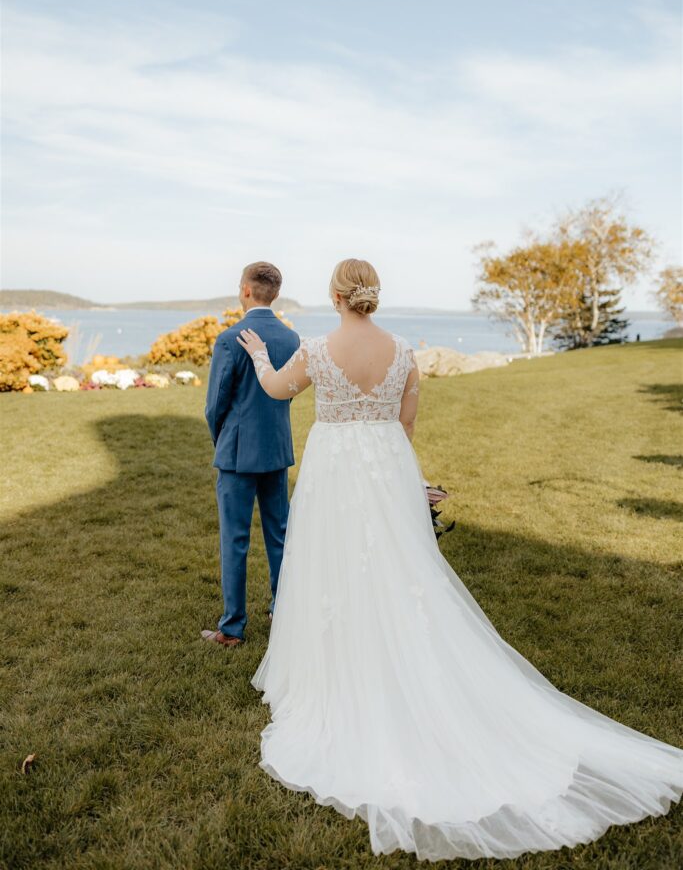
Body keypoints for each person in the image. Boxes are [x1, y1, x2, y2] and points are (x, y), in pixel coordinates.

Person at [235, 256, 683, 862]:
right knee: (399, 573)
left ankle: (340, 668)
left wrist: (259, 352)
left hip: (336, 475)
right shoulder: (403, 354)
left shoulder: (316, 348)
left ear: (336, 295)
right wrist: (391, 472)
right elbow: (406, 424)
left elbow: (276, 389)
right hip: (386, 468)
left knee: (332, 569)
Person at [202, 261, 300, 647]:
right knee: (279, 535)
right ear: (274, 293)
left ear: (245, 290)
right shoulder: (292, 339)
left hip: (238, 453)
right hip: (276, 450)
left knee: (235, 539)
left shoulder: (230, 338)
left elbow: (215, 404)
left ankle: (232, 628)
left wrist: (220, 438)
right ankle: (283, 609)